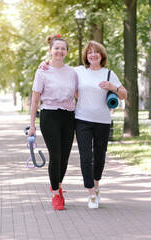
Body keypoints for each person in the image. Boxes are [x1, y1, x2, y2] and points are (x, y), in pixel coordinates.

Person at [39, 40, 127, 209]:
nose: (92, 55)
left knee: (99, 156)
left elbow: (124, 95)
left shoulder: (109, 74)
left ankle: (96, 184)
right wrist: (45, 63)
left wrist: (112, 87)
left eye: (96, 52)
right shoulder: (78, 71)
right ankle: (91, 194)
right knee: (85, 157)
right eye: (89, 52)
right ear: (86, 56)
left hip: (103, 120)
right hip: (82, 119)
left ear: (102, 55)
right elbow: (59, 68)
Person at [29, 34, 78, 211]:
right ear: (50, 50)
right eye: (56, 48)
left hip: (68, 117)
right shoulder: (42, 71)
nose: (59, 51)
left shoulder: (73, 72)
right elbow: (35, 100)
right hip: (49, 116)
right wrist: (32, 125)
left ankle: (57, 184)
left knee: (65, 157)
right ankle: (56, 194)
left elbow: (80, 94)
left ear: (66, 52)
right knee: (55, 155)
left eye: (63, 48)